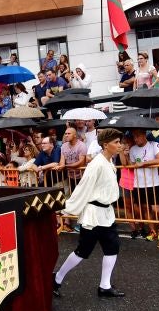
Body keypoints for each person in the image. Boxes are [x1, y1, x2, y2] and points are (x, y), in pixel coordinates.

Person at [53, 128, 126, 298]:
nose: (120, 145)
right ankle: (56, 279)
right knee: (83, 251)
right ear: (105, 145)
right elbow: (83, 187)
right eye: (116, 142)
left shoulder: (109, 161)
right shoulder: (97, 164)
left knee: (112, 247)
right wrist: (66, 208)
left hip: (106, 214)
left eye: (119, 142)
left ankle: (105, 286)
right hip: (93, 215)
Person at [127, 127, 159, 242]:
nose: (135, 139)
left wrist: (143, 164)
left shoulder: (154, 145)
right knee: (145, 208)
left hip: (153, 183)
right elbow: (132, 164)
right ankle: (152, 231)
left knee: (156, 209)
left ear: (144, 135)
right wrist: (125, 155)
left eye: (137, 136)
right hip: (138, 184)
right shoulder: (132, 149)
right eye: (134, 137)